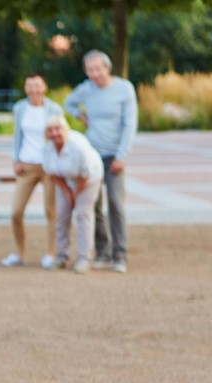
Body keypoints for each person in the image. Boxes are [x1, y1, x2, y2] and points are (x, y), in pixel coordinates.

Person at [63, 50, 138, 273]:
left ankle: (119, 253)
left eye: (98, 69)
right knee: (92, 204)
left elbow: (130, 124)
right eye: (90, 70)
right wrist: (81, 116)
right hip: (92, 155)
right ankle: (102, 251)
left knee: (115, 202)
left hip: (115, 155)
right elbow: (69, 103)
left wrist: (121, 155)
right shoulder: (86, 89)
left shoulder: (124, 88)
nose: (94, 74)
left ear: (108, 68)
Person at [1, 72, 63, 269]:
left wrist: (59, 163)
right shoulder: (20, 108)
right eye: (29, 86)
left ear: (44, 87)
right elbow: (17, 136)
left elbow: (61, 137)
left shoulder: (54, 109)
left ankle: (52, 254)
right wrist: (16, 159)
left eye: (37, 85)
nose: (33, 90)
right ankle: (20, 254)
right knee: (16, 212)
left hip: (49, 167)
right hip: (26, 165)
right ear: (25, 88)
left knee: (51, 212)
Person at [41, 115, 104, 274]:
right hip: (65, 180)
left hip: (89, 179)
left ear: (65, 130)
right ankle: (61, 257)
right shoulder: (47, 149)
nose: (54, 133)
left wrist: (75, 194)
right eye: (50, 130)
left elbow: (85, 175)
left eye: (58, 129)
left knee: (83, 215)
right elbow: (51, 174)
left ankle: (84, 259)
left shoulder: (78, 146)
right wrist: (67, 192)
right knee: (62, 215)